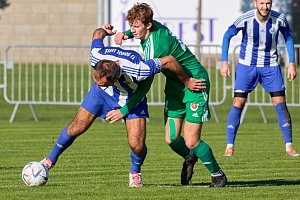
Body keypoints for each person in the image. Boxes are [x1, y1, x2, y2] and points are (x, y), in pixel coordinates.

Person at [40, 24, 205, 188]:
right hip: (103, 96)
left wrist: (187, 80)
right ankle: (50, 160)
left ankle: (135, 172)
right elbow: (97, 33)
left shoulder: (138, 69)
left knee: (137, 144)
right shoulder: (96, 56)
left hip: (132, 98)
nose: (97, 84)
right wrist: (106, 30)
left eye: (101, 82)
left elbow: (169, 60)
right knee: (76, 127)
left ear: (114, 78)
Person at [113, 3, 227, 187]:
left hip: (195, 83)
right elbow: (137, 28)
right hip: (176, 87)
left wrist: (124, 109)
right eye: (131, 25)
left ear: (148, 25)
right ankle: (190, 158)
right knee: (171, 139)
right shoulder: (152, 26)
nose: (133, 30)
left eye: (136, 26)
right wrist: (124, 34)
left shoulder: (156, 48)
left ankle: (218, 175)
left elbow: (145, 86)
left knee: (191, 140)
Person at [220, 0, 299, 157]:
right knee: (238, 102)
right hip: (247, 66)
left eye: (268, 3)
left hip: (270, 66)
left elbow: (289, 38)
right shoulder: (245, 19)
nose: (265, 7)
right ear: (255, 3)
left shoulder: (279, 19)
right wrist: (224, 62)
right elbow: (227, 35)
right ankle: (229, 146)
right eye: (261, 3)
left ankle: (289, 146)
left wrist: (291, 63)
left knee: (280, 104)